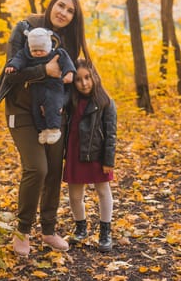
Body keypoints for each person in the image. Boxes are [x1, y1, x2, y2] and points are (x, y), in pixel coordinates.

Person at [0, 0, 91, 257]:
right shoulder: (26, 28)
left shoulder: (68, 41)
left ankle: (48, 230)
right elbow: (9, 74)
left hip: (54, 114)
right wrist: (43, 71)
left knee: (52, 172)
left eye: (70, 10)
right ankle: (22, 231)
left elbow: (71, 77)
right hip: (22, 111)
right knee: (37, 168)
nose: (64, 12)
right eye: (61, 6)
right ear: (51, 5)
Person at [63, 58, 117, 252]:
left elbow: (111, 134)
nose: (84, 83)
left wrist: (108, 160)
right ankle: (81, 228)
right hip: (75, 153)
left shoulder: (105, 102)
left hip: (96, 154)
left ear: (95, 77)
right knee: (75, 195)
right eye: (78, 79)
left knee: (103, 191)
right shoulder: (70, 100)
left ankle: (105, 232)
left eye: (87, 77)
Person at [4, 27, 76, 145]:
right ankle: (43, 130)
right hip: (36, 87)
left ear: (48, 46)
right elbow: (19, 58)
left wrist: (69, 73)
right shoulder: (26, 53)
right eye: (34, 50)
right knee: (36, 109)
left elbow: (67, 62)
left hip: (54, 86)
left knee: (53, 105)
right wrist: (13, 65)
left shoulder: (58, 53)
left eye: (41, 50)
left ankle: (54, 129)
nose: (38, 53)